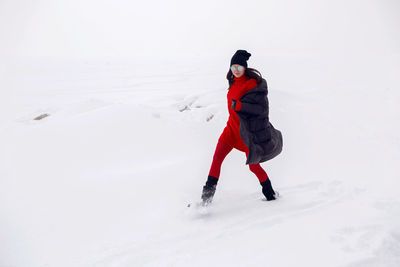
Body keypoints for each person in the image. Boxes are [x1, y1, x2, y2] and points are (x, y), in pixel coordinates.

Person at [201, 49, 283, 204]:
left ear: (245, 67)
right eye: (233, 67)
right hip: (230, 130)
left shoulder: (252, 84)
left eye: (239, 67)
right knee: (217, 158)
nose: (236, 70)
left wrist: (240, 106)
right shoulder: (232, 83)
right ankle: (206, 200)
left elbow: (261, 109)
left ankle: (270, 194)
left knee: (253, 167)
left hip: (246, 134)